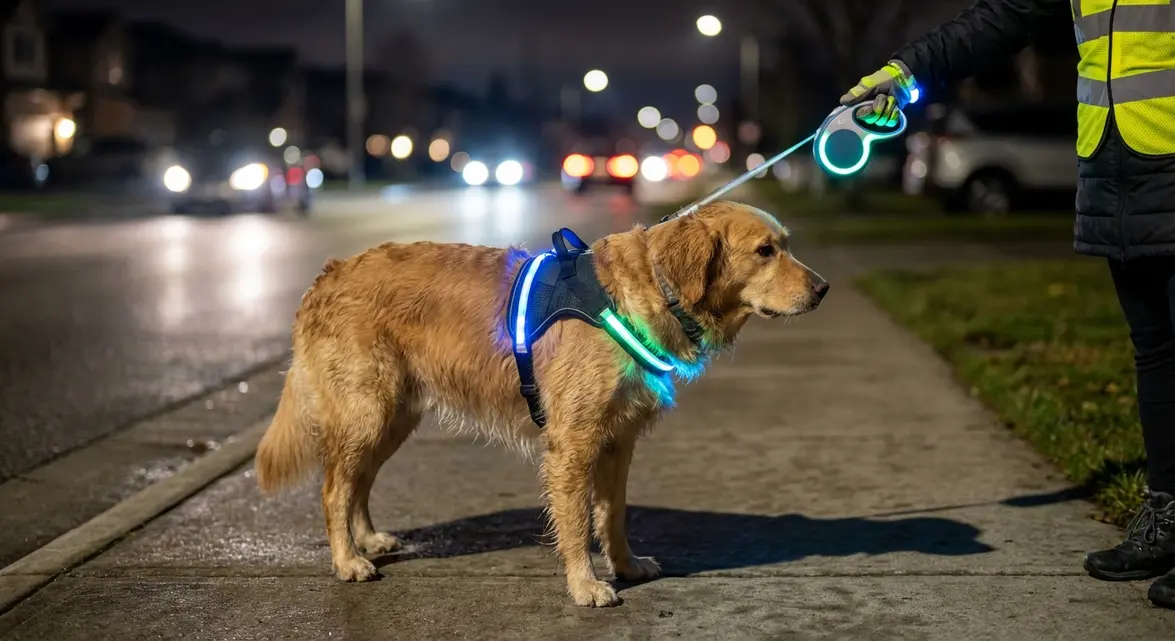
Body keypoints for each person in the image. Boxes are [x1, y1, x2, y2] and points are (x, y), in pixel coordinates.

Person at [839, 0, 1175, 609]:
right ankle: (1168, 514)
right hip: (1118, 165)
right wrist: (903, 71)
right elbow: (1002, 20)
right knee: (1154, 350)